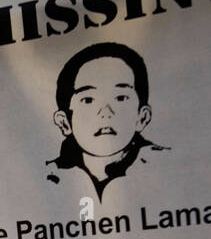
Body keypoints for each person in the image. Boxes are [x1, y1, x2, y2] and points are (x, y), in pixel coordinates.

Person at [46, 41, 168, 200]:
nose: (105, 112)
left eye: (120, 97)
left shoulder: (167, 166)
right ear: (64, 122)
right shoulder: (46, 177)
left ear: (142, 117)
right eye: (88, 100)